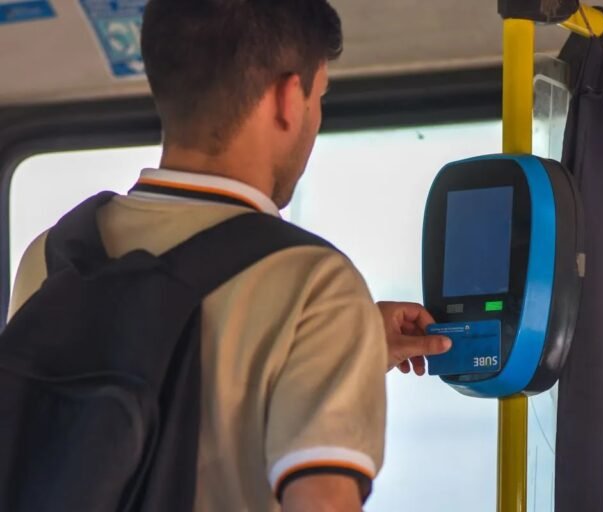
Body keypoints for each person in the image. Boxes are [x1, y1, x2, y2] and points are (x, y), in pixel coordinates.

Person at [8, 0, 451, 511]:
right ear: (288, 98)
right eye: (319, 97)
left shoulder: (52, 255)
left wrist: (343, 342)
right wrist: (332, 327)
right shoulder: (316, 285)